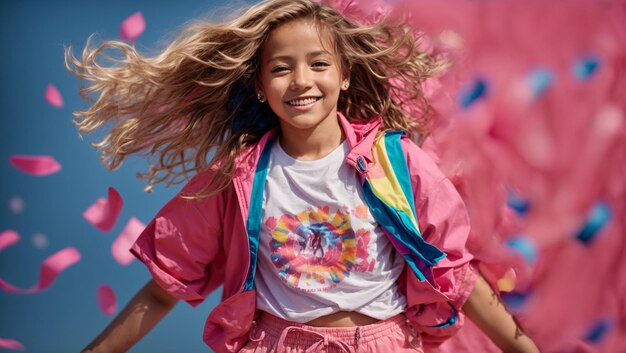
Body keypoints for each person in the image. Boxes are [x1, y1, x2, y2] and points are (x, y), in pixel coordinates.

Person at [66, 0, 541, 352]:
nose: (301, 80)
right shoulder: (236, 179)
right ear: (259, 84)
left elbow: (456, 275)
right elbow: (163, 285)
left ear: (346, 74)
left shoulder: (398, 163)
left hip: (388, 342)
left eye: (318, 64)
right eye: (280, 68)